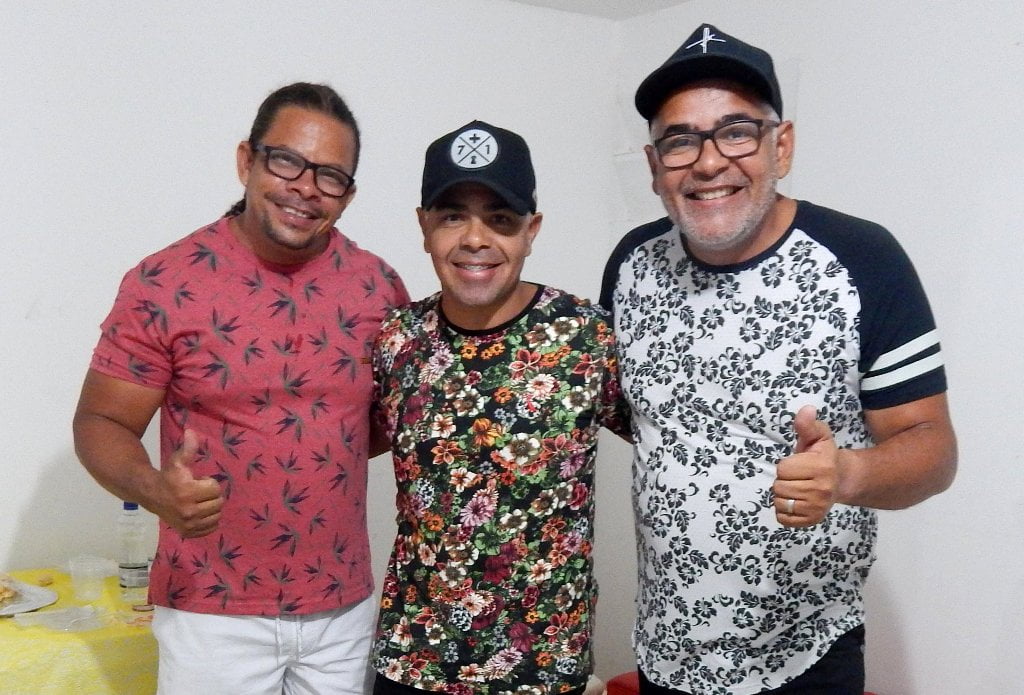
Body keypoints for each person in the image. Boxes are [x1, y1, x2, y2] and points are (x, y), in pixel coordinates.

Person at [599, 24, 958, 695]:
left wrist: (847, 472)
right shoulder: (630, 266)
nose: (708, 162)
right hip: (665, 650)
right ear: (653, 166)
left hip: (806, 657)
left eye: (736, 132)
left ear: (780, 145)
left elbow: (933, 450)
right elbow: (640, 418)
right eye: (680, 140)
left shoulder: (864, 260)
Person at [72, 82, 409, 694]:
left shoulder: (377, 287)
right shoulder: (163, 282)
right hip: (211, 610)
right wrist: (155, 489)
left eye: (330, 176)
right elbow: (101, 421)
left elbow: (383, 424)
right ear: (246, 161)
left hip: (343, 608)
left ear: (348, 194)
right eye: (287, 161)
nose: (306, 187)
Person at [370, 120, 631, 694]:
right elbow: (338, 443)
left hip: (541, 666)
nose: (475, 238)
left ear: (531, 231)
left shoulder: (586, 337)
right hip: (415, 660)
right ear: (424, 226)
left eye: (501, 219)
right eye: (452, 216)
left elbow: (675, 441)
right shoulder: (396, 339)